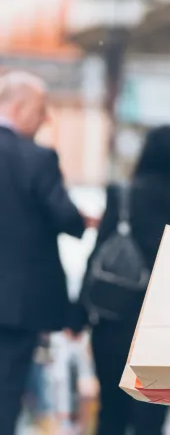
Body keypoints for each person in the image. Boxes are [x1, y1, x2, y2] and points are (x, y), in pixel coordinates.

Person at [70, 125, 170, 435]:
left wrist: (77, 316)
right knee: (151, 418)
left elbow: (97, 256)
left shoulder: (124, 196)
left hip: (113, 320)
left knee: (111, 415)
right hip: (164, 326)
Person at [0, 71, 87, 434]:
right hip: (18, 305)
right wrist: (83, 219)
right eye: (40, 109)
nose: (45, 118)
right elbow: (66, 217)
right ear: (17, 107)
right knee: (6, 390)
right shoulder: (36, 158)